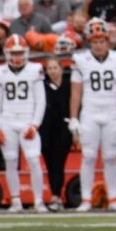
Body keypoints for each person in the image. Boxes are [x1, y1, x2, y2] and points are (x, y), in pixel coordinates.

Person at [69, 19, 116, 212]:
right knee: (88, 157)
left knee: (111, 157)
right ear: (89, 42)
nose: (98, 45)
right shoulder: (81, 60)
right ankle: (86, 199)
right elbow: (76, 92)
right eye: (95, 41)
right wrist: (73, 117)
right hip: (89, 112)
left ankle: (113, 198)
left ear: (108, 41)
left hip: (112, 112)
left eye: (102, 40)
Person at [0, 35, 47, 213]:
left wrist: (35, 124)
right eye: (14, 53)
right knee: (10, 160)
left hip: (27, 118)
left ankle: (38, 201)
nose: (17, 57)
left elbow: (41, 101)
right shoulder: (0, 72)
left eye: (20, 53)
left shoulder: (35, 69)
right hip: (7, 119)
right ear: (6, 53)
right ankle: (15, 201)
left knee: (33, 159)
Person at [41, 56, 72, 211]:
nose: (52, 71)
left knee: (59, 162)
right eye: (50, 68)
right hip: (46, 129)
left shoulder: (69, 85)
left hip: (63, 128)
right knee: (50, 164)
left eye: (55, 68)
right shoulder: (43, 86)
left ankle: (56, 196)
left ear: (61, 68)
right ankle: (55, 194)